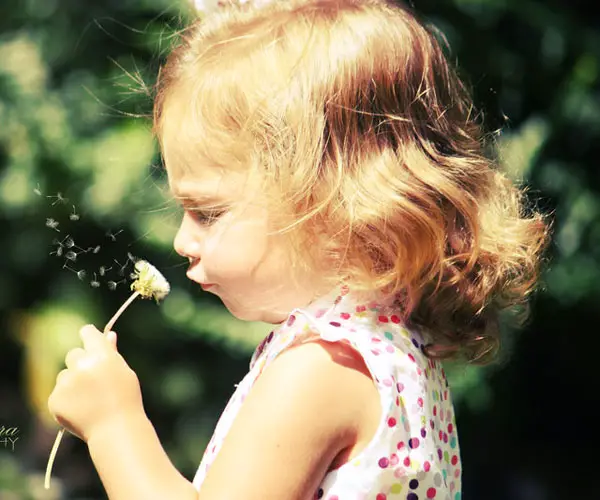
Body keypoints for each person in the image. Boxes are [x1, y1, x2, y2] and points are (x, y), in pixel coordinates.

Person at [47, 0, 549, 498]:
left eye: (208, 212)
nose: (182, 241)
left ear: (334, 207)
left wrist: (114, 424)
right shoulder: (394, 353)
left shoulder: (320, 372)